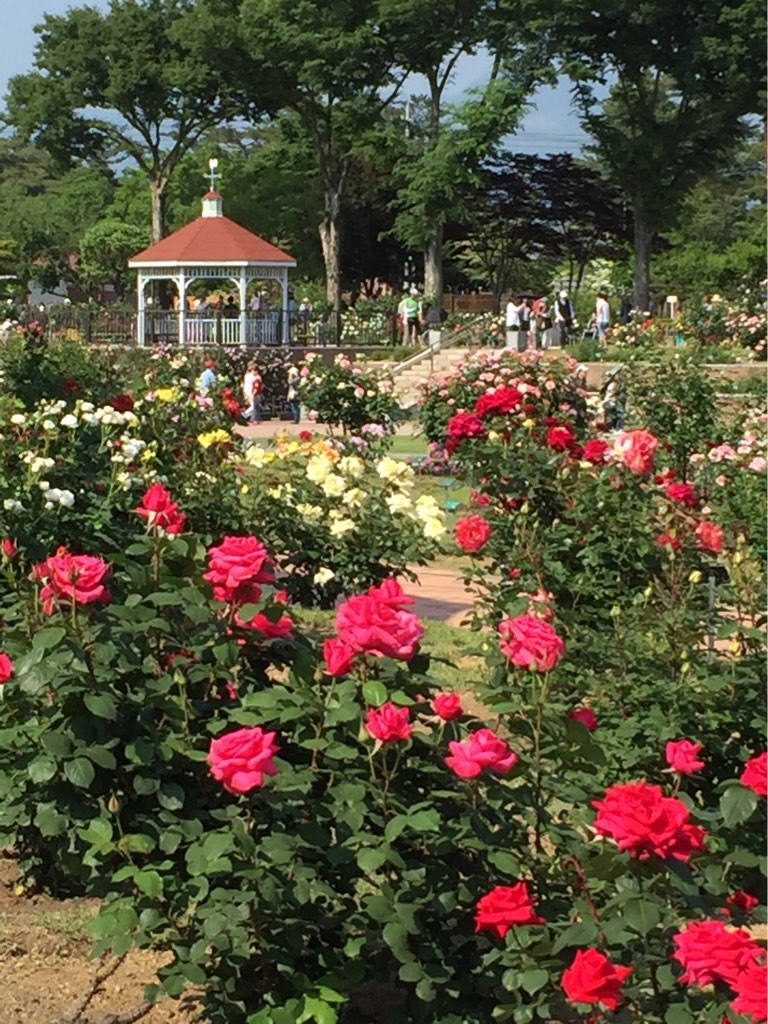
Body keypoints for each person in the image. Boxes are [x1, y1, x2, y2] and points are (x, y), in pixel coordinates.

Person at [600, 364, 627, 431]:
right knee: (616, 414)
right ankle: (616, 428)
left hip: (615, 399)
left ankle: (617, 428)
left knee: (617, 413)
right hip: (611, 400)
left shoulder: (619, 382)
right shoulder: (612, 383)